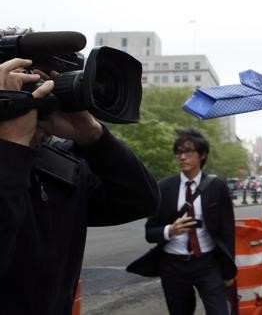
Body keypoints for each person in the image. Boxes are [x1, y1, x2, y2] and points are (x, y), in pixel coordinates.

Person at [0, 56, 160, 315]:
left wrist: (94, 136)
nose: (39, 96)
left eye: (46, 85)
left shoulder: (60, 165)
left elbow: (140, 199)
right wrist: (10, 148)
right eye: (26, 85)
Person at [132, 128, 236, 315]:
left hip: (207, 263)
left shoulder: (216, 187)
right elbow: (150, 232)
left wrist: (229, 271)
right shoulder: (164, 187)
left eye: (188, 152)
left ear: (202, 155)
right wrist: (170, 230)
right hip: (173, 265)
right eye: (178, 152)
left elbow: (227, 230)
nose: (182, 157)